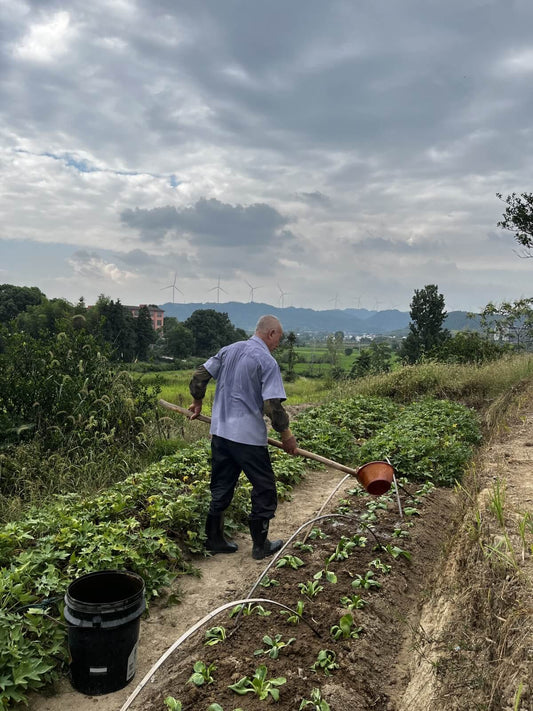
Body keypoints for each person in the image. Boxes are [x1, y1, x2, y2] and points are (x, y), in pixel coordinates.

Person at [188, 314, 298, 560]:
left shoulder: (229, 350)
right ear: (270, 334)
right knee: (265, 487)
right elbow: (272, 406)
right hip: (247, 438)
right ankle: (260, 545)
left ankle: (214, 540)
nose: (278, 344)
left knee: (222, 485)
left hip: (220, 433)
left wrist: (197, 402)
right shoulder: (266, 361)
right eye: (278, 338)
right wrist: (287, 435)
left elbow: (199, 376)